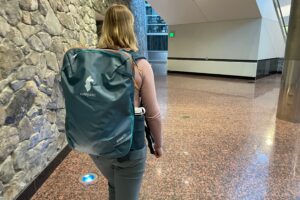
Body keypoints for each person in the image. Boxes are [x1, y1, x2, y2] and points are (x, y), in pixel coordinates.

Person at [89, 4, 163, 200]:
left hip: (96, 145)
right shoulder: (139, 65)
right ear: (129, 28)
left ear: (106, 27)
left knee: (114, 185)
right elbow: (153, 114)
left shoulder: (89, 62)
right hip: (129, 147)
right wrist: (158, 144)